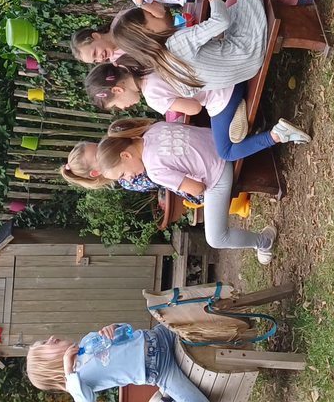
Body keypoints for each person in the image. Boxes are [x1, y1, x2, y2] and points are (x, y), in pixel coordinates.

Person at [110, 0, 320, 96]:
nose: (154, 13)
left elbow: (193, 86)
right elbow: (221, 21)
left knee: (233, 2)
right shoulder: (175, 43)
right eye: (149, 16)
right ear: (146, 31)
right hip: (248, 50)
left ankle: (284, 13)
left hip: (244, 70)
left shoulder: (163, 67)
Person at [96, 120, 276, 262]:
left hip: (218, 171)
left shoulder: (154, 171)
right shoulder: (154, 129)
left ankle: (264, 241)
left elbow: (198, 189)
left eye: (123, 174)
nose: (129, 178)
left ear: (126, 155)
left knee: (216, 238)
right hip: (220, 143)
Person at [84, 62, 309, 159]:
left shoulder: (153, 97)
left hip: (222, 94)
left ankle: (277, 134)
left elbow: (194, 107)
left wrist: (178, 107)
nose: (123, 108)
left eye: (117, 104)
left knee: (226, 152)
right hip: (226, 73)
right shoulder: (146, 63)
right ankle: (236, 114)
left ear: (117, 89)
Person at [26, 323, 211, 402]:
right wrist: (69, 370)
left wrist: (114, 328)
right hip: (162, 370)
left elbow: (126, 334)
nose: (50, 338)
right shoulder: (79, 381)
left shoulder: (87, 341)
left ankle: (166, 393)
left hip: (159, 336)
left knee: (191, 317)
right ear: (48, 366)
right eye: (45, 344)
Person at [59, 135, 203, 207]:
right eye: (97, 155)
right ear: (96, 173)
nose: (102, 150)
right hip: (191, 180)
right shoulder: (130, 179)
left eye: (98, 145)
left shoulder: (123, 144)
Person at [69, 8, 173, 65]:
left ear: (96, 36)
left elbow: (159, 12)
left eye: (95, 53)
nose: (100, 59)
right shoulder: (119, 62)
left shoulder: (122, 20)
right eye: (95, 61)